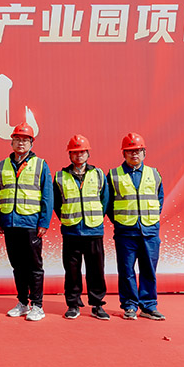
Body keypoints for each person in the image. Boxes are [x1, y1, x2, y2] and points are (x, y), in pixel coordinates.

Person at [0, 123, 52, 322]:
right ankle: (22, 302)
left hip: (31, 223)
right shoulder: (2, 165)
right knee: (17, 266)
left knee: (34, 266)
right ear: (11, 142)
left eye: (25, 140)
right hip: (10, 223)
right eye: (17, 139)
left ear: (31, 143)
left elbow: (47, 195)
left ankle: (37, 305)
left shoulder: (40, 165)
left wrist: (44, 222)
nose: (21, 143)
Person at [107, 132, 165, 320]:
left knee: (149, 269)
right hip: (125, 232)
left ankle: (148, 306)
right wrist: (121, 221)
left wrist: (150, 218)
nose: (134, 154)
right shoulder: (114, 175)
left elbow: (159, 199)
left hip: (149, 230)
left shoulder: (154, 173)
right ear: (123, 153)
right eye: (130, 151)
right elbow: (108, 204)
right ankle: (130, 306)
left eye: (138, 150)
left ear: (144, 153)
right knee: (126, 270)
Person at [53, 134, 110, 320]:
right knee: (72, 271)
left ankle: (97, 304)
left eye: (82, 152)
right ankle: (73, 304)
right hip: (71, 230)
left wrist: (95, 218)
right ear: (69, 155)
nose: (79, 155)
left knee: (96, 270)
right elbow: (56, 203)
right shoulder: (60, 176)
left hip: (93, 230)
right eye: (75, 152)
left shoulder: (98, 174)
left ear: (88, 154)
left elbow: (105, 200)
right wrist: (68, 217)